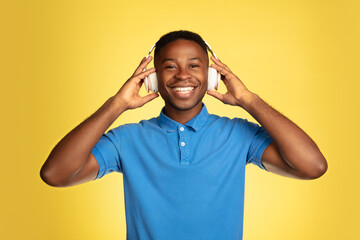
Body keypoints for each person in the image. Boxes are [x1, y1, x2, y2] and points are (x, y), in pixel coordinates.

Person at [40, 30, 327, 240]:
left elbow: (312, 166)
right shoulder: (126, 140)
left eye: (193, 65)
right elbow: (55, 174)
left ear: (212, 75)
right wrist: (117, 104)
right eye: (169, 66)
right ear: (152, 79)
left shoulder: (239, 135)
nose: (182, 75)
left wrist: (248, 100)